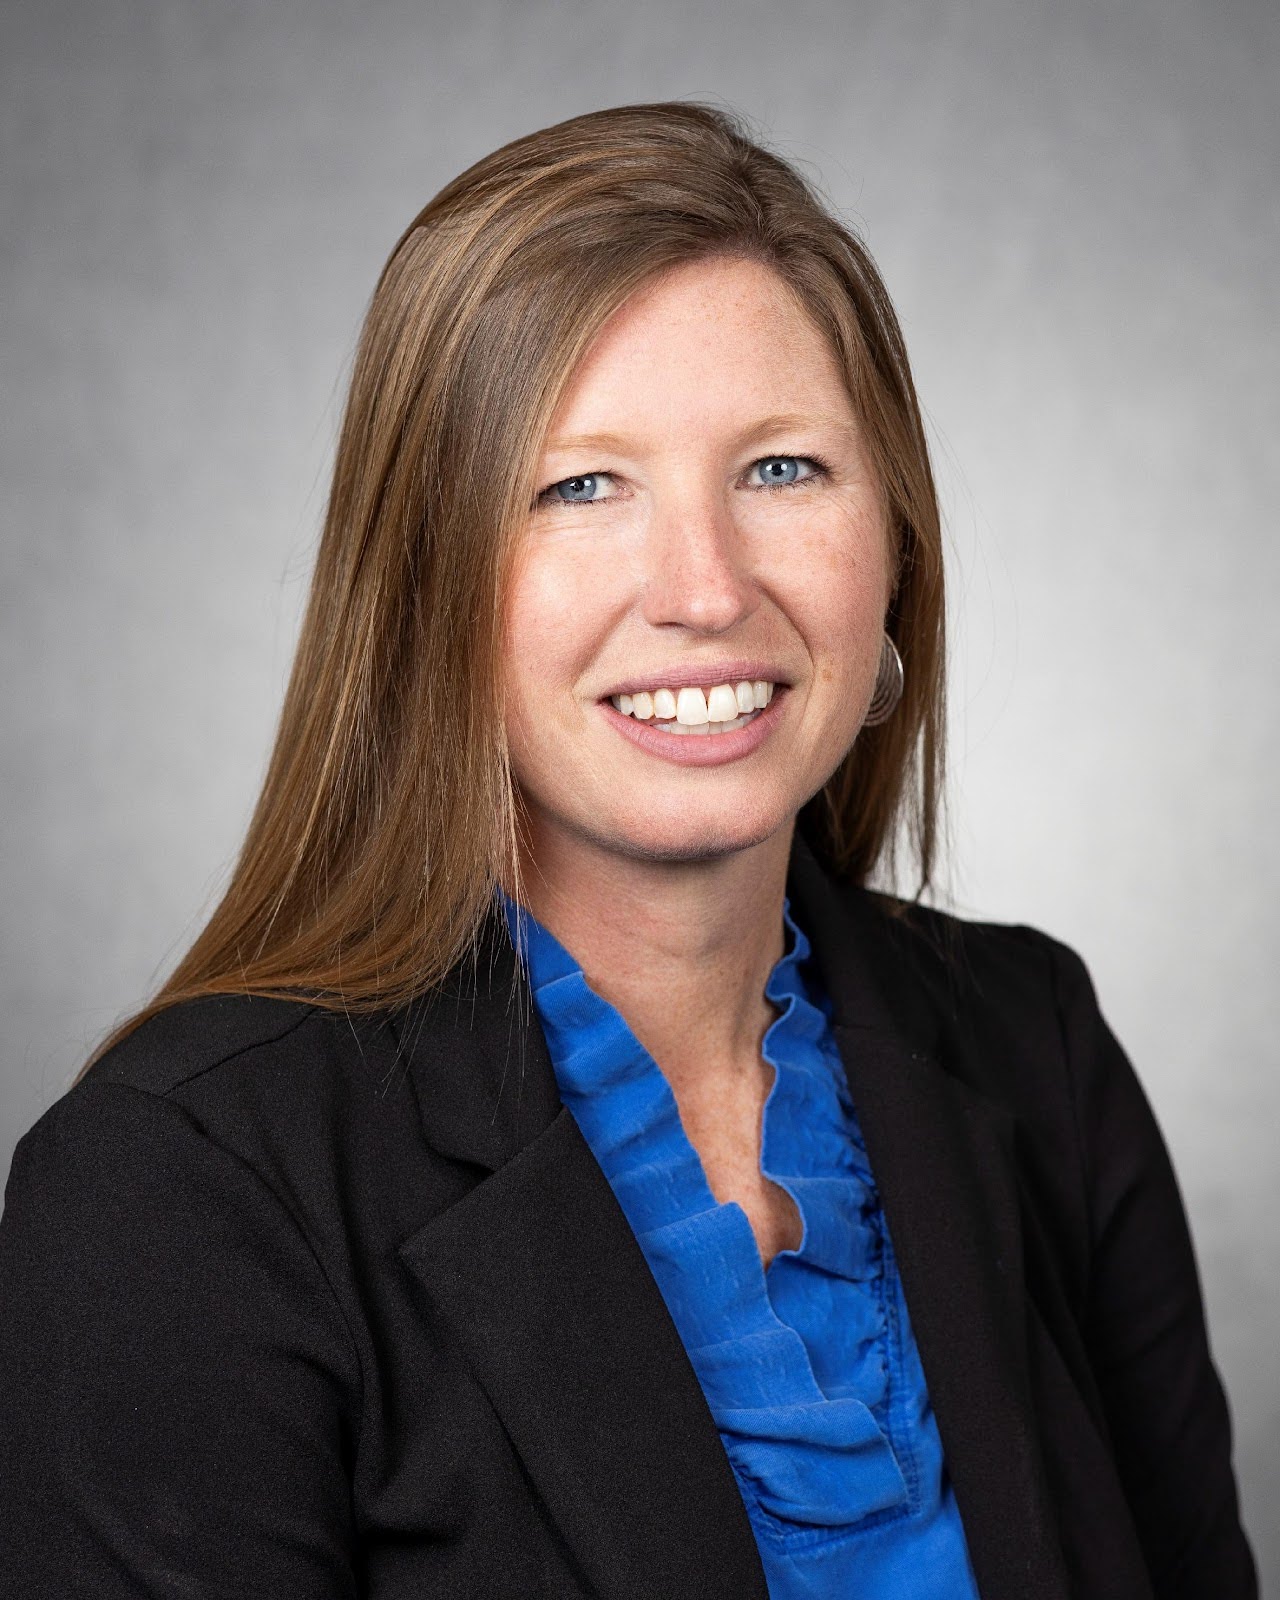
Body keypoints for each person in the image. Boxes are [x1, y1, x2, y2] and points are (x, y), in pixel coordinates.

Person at [0, 100, 1257, 1600]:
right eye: (581, 486)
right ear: (425, 588)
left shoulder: (1032, 1047)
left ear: (897, 548)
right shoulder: (174, 1190)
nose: (705, 589)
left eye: (782, 469)